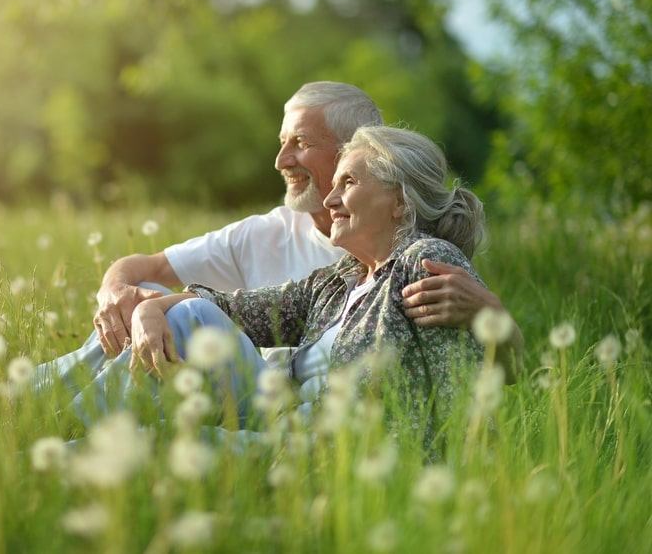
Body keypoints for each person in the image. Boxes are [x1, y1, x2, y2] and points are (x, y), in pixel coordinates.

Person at [33, 82, 522, 395]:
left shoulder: (420, 261)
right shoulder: (321, 267)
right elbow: (151, 274)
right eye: (281, 143)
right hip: (254, 398)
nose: (281, 160)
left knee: (181, 313)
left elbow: (470, 374)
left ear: (359, 152)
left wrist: (494, 317)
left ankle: (48, 415)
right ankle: (42, 403)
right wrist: (122, 295)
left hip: (295, 422)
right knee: (171, 304)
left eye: (301, 143)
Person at [81, 126, 491, 449]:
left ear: (399, 201)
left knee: (159, 440)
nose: (329, 200)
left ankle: (55, 428)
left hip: (330, 453)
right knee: (184, 314)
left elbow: (460, 394)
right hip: (283, 425)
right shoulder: (338, 280)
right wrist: (149, 309)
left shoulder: (423, 262)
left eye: (347, 183)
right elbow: (233, 308)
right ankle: (61, 423)